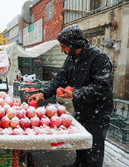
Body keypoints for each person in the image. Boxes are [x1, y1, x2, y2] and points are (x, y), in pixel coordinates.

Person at [28, 25, 113, 167]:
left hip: (98, 113)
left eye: (64, 47)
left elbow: (102, 87)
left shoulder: (99, 58)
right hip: (81, 109)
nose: (62, 50)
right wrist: (43, 93)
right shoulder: (72, 58)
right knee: (81, 146)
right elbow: (59, 78)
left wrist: (75, 93)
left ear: (73, 44)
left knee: (94, 150)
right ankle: (79, 164)